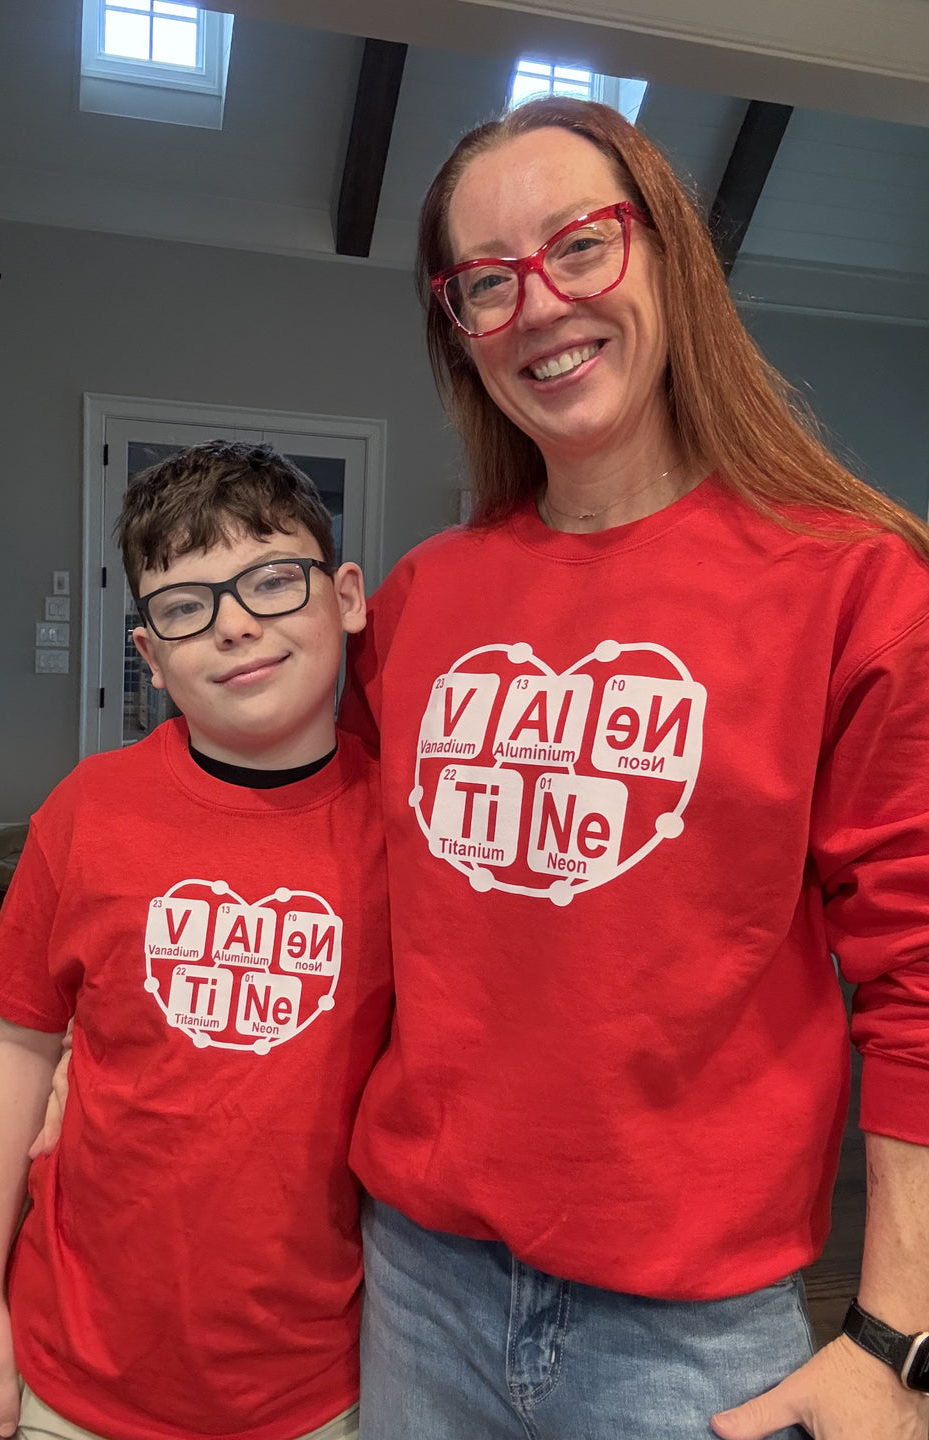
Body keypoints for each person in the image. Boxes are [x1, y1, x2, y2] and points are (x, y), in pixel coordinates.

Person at [339, 98, 929, 1440]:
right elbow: (326, 872)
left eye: (580, 246)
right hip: (415, 1282)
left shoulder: (850, 583)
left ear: (666, 254)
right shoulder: (425, 601)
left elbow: (919, 978)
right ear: (460, 329)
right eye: (487, 282)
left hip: (689, 1335)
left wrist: (896, 1338)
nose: (538, 304)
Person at [0, 442, 391, 1440]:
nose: (234, 623)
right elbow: (16, 1050)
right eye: (186, 605)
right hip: (78, 1365)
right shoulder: (89, 812)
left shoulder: (401, 826)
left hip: (318, 1381)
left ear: (347, 596)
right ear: (149, 654)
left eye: (274, 579)